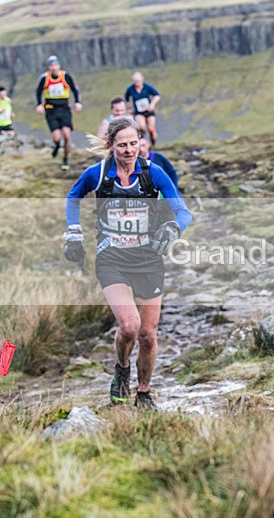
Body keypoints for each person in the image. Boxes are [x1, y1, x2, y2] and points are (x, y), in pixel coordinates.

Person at [63, 116, 191, 410]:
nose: (130, 150)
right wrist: (73, 232)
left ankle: (144, 392)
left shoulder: (153, 173)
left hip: (148, 259)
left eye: (134, 143)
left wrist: (173, 228)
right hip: (113, 259)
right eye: (122, 145)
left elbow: (183, 211)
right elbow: (73, 197)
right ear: (111, 146)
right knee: (130, 326)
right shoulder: (97, 175)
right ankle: (122, 368)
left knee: (147, 335)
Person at [35, 55, 82, 170]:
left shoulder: (65, 76)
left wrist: (77, 102)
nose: (54, 68)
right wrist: (39, 104)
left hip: (64, 109)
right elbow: (38, 91)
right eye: (51, 65)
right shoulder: (44, 78)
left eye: (55, 65)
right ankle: (56, 145)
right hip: (51, 110)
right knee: (57, 137)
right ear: (49, 67)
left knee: (66, 135)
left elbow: (75, 89)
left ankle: (65, 160)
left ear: (59, 65)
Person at [125, 72, 161, 146]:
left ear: (142, 80)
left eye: (138, 81)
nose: (136, 83)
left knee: (151, 129)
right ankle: (143, 140)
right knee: (141, 126)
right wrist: (130, 108)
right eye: (135, 81)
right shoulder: (130, 89)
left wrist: (152, 104)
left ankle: (153, 144)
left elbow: (157, 95)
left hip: (149, 111)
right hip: (139, 112)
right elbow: (126, 99)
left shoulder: (147, 87)